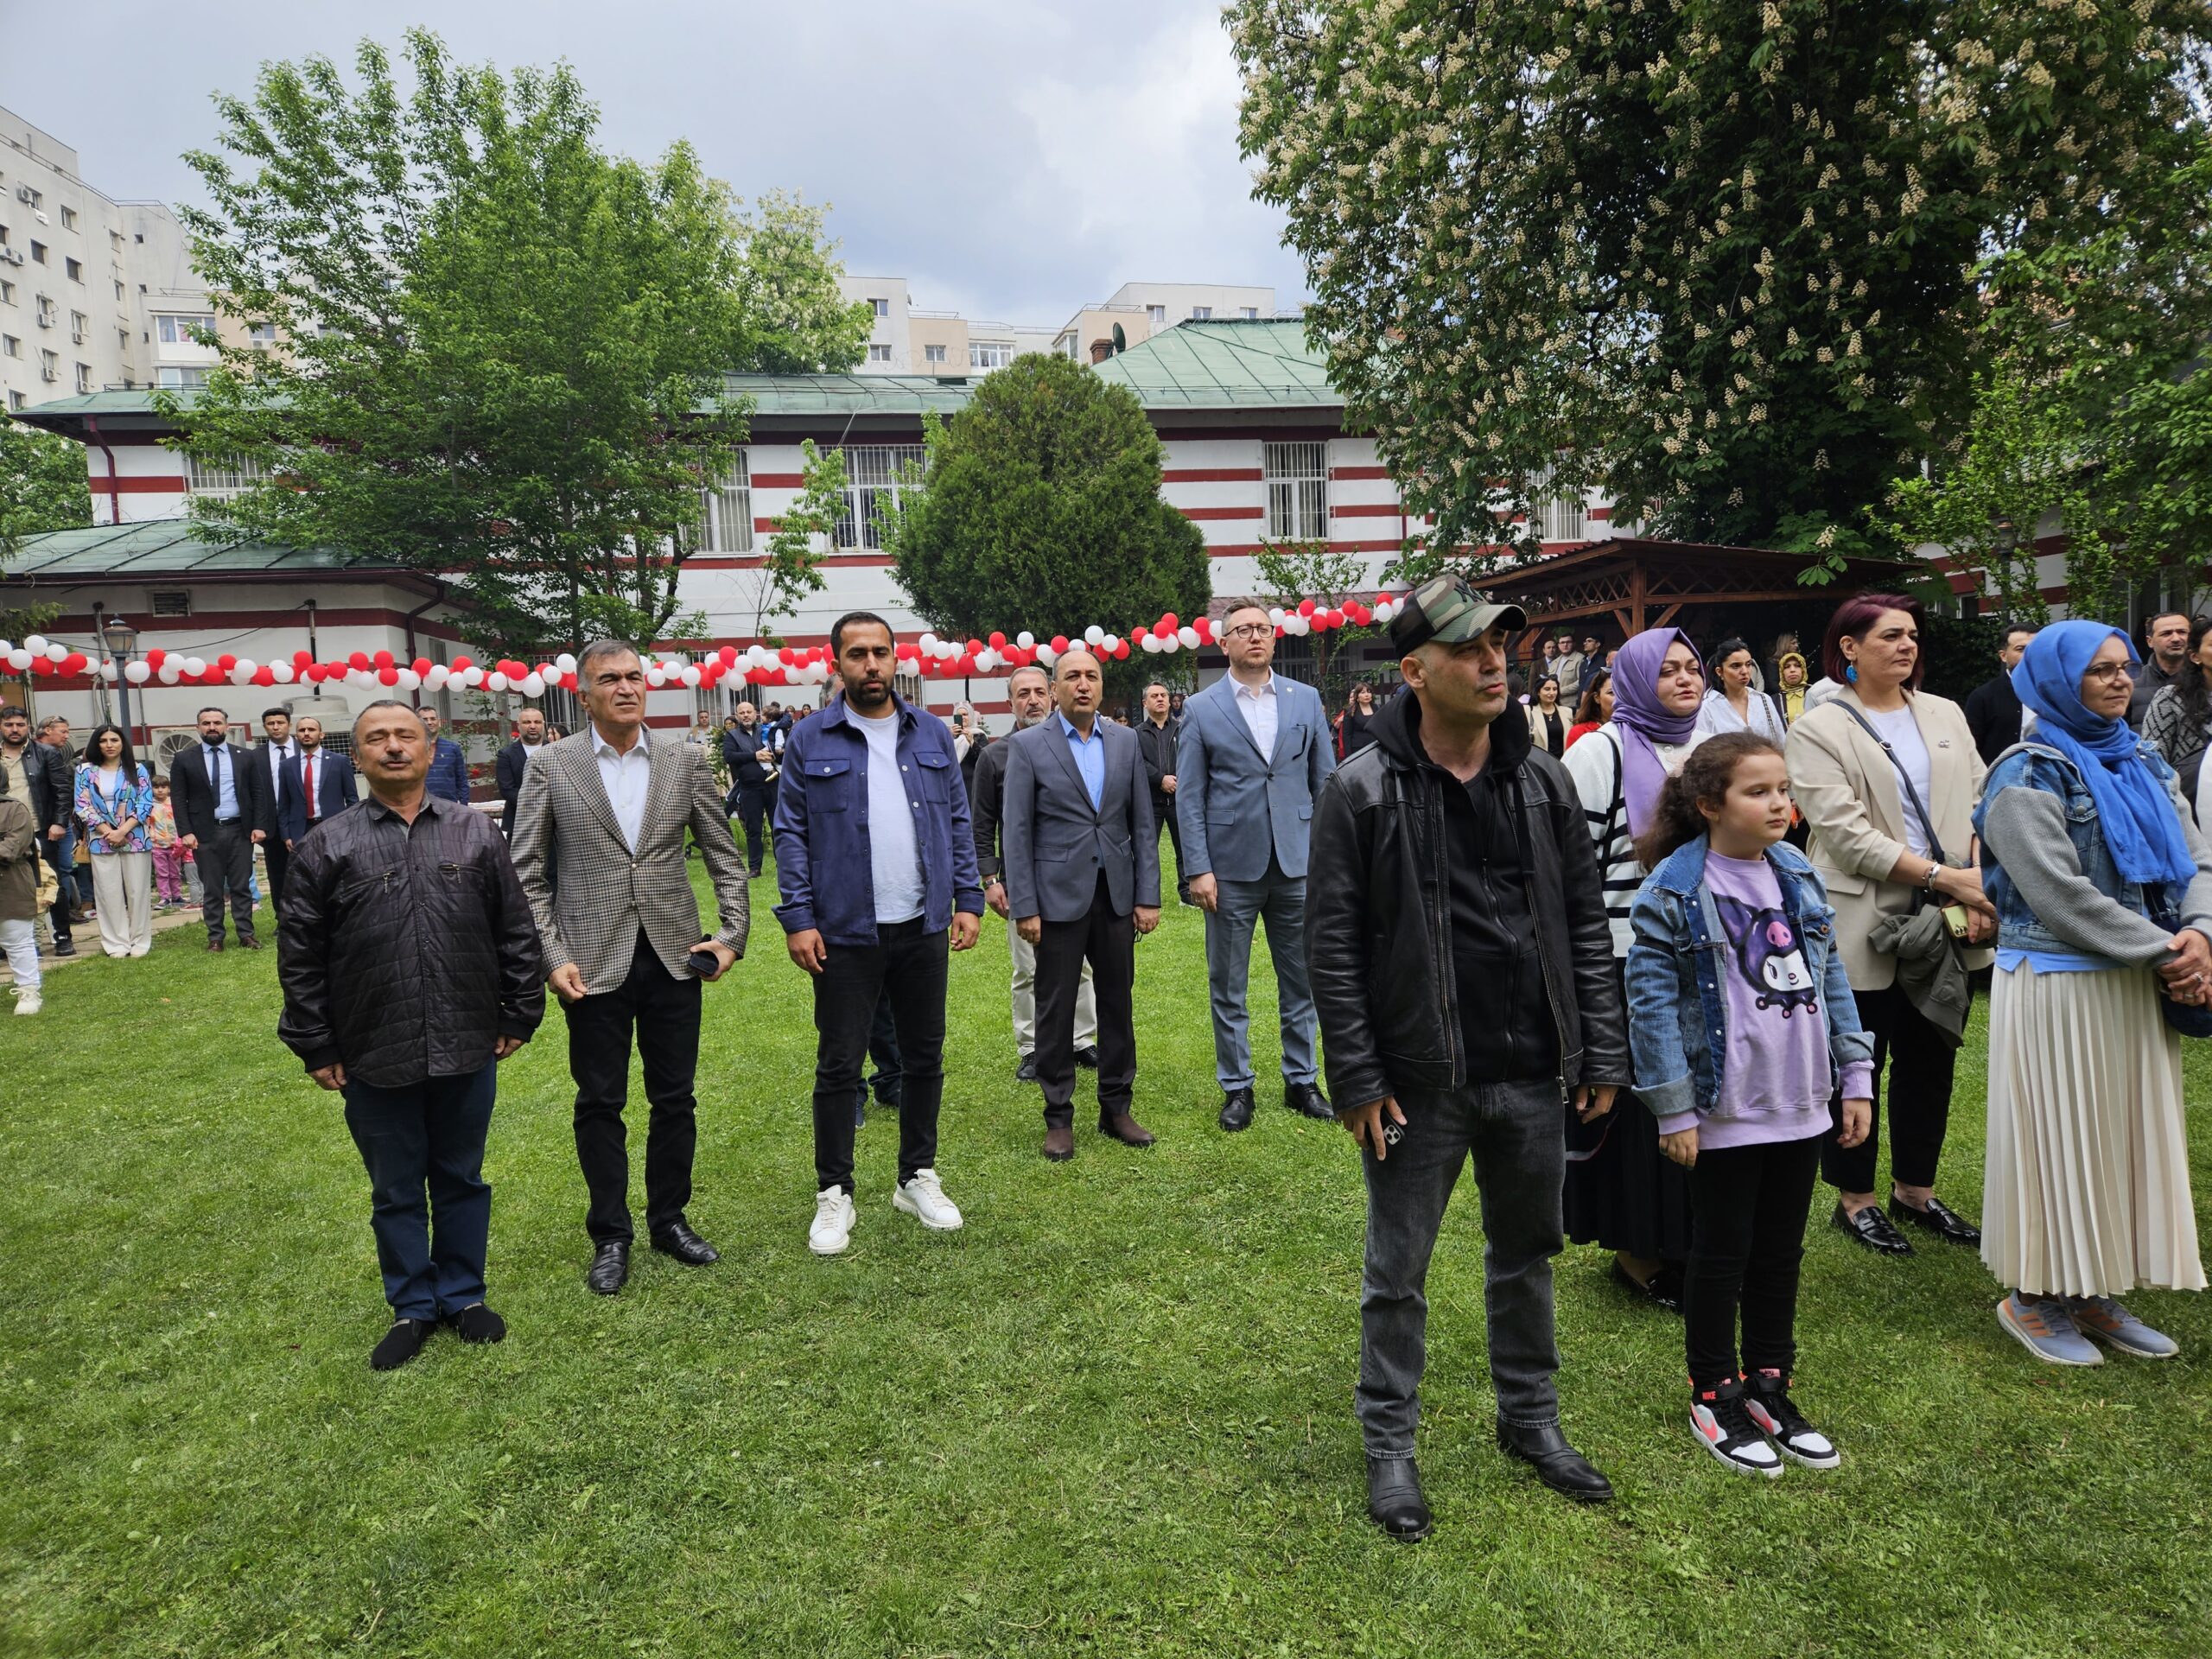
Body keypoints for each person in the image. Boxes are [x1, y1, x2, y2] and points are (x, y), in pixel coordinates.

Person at [1307, 575, 1629, 1540]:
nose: (1496, 664)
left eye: (1500, 647)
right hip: (1419, 1079)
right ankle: (1389, 1445)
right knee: (1397, 1271)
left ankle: (1530, 1420)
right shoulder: (1359, 788)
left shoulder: (1544, 779)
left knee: (1527, 1253)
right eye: (1470, 650)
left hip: (1532, 1066)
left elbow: (1582, 922)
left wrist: (1598, 1050)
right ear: (1415, 671)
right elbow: (1332, 946)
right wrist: (1357, 1075)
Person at [1626, 734, 1874, 1477]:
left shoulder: (1796, 871)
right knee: (1720, 1253)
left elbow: (1831, 977)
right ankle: (1714, 1393)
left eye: (1783, 789)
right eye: (1758, 791)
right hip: (1726, 1106)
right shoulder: (1672, 890)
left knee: (1779, 1252)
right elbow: (1651, 1007)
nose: (1779, 804)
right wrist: (1675, 1110)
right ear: (1710, 805)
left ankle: (1770, 1385)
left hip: (1800, 1100)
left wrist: (1855, 1075)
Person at [277, 700, 545, 1371]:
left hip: (466, 1036)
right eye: (378, 738)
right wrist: (316, 1042)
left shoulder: (475, 833)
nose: (394, 746)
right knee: (395, 1188)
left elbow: (515, 927)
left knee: (461, 1176)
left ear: (429, 750)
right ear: (358, 757)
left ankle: (463, 1295)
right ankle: (412, 1306)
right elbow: (301, 955)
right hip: (372, 1044)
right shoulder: (326, 844)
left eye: (406, 736)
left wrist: (519, 1011)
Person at [1975, 622, 2209, 1364]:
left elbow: (2197, 858)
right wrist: (2166, 949)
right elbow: (2055, 894)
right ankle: (2034, 1296)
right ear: (2055, 680)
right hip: (2058, 983)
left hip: (2134, 980)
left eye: (2124, 668)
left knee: (2118, 1139)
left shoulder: (2142, 759)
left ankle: (2090, 1287)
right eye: (2099, 670)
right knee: (2058, 1139)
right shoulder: (2024, 774)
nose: (2119, 681)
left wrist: (2200, 932)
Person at [509, 641, 750, 1295]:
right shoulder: (551, 765)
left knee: (675, 1098)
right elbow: (526, 873)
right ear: (584, 696)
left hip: (676, 956)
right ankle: (611, 1235)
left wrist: (731, 936)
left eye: (634, 677)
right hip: (590, 964)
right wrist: (553, 956)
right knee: (600, 1101)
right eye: (609, 679)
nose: (625, 688)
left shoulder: (684, 759)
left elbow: (724, 856)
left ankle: (670, 1220)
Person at [1785, 594, 1996, 1256]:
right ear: (1849, 648)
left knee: (1931, 1052)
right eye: (1890, 636)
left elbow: (1984, 800)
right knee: (1859, 1058)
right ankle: (1856, 1200)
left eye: (1912, 635)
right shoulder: (1818, 728)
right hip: (1861, 912)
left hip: (1946, 912)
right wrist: (1949, 879)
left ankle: (1915, 1190)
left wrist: (1976, 879)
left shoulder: (1945, 713)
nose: (1907, 646)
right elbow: (1844, 834)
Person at [772, 611, 983, 1256]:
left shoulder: (931, 733)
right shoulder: (810, 738)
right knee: (840, 1063)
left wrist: (969, 897)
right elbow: (790, 831)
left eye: (881, 652)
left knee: (924, 1057)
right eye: (857, 654)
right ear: (837, 663)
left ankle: (916, 1176)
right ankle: (834, 1191)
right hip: (844, 931)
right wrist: (799, 917)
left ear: (897, 659)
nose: (871, 664)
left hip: (922, 924)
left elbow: (956, 818)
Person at [1559, 630, 1708, 1308]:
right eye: (1667, 670)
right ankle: (1639, 1253)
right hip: (1625, 957)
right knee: (1639, 1118)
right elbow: (1572, 870)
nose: (1685, 679)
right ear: (1636, 681)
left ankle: (1692, 1242)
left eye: (1693, 668)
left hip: (1708, 958)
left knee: (1696, 1102)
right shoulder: (1600, 752)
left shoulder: (1713, 747)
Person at [1176, 601, 1336, 1131]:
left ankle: (1302, 1079)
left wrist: (1328, 858)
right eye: (1243, 630)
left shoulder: (1305, 699)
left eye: (1262, 628)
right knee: (1228, 984)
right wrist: (1198, 868)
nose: (1255, 636)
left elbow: (1325, 783)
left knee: (1303, 980)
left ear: (1274, 637)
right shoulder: (1201, 708)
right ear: (1224, 643)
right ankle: (1237, 1086)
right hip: (1229, 870)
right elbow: (1190, 797)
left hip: (1298, 863)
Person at [1001, 648, 1160, 1161]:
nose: (1083, 684)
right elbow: (1016, 832)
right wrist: (1025, 906)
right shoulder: (1028, 745)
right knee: (1055, 1008)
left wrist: (1147, 895)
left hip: (1115, 897)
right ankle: (1058, 1115)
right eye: (1072, 676)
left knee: (1117, 1004)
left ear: (1101, 685)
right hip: (1055, 901)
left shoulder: (1126, 741)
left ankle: (1116, 1108)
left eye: (1091, 675)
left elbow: (1142, 824)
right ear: (1056, 688)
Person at [973, 664, 1099, 1080]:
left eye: (1039, 692)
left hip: (1073, 878)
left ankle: (1082, 1039)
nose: (1032, 701)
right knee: (1027, 969)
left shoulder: (1078, 747)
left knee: (1081, 965)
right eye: (1022, 694)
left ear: (1052, 695)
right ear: (1010, 702)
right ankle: (1032, 1047)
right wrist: (990, 880)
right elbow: (982, 825)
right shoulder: (995, 756)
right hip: (1020, 882)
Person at [169, 707, 263, 952]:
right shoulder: (184, 758)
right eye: (206, 723)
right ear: (198, 727)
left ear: (227, 727)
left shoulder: (245, 756)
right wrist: (185, 831)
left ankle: (246, 934)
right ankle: (216, 937)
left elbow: (257, 792)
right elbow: (178, 798)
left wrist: (259, 826)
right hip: (204, 833)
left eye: (217, 723)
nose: (212, 727)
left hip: (239, 830)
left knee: (241, 886)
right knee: (212, 888)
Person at [73, 723, 155, 958]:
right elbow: (82, 805)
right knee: (108, 893)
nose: (109, 745)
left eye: (114, 740)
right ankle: (116, 943)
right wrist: (108, 831)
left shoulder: (137, 769)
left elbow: (145, 802)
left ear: (122, 743)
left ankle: (139, 941)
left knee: (137, 891)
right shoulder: (85, 771)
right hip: (101, 839)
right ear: (96, 744)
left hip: (135, 837)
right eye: (103, 741)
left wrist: (124, 830)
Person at [2141, 614, 2212, 810]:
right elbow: (2153, 762)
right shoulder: (2171, 697)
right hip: (2188, 807)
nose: (2175, 637)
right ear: (2195, 656)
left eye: (2182, 632)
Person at [31, 715, 90, 942]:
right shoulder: (32, 755)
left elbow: (63, 790)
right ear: (47, 730)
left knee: (62, 870)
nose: (67, 736)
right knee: (46, 873)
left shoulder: (60, 754)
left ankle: (63, 920)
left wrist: (63, 820)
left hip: (61, 821)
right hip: (41, 824)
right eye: (63, 731)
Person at [1135, 680, 1191, 905]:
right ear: (1145, 703)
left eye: (1163, 695)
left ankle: (1187, 894)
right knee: (1146, 851)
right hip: (1150, 801)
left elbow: (1190, 758)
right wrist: (1160, 779)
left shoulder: (1182, 729)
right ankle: (1146, 895)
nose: (1160, 699)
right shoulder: (1136, 734)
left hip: (1179, 799)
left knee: (1185, 848)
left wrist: (1176, 779)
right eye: (1154, 696)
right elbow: (1137, 762)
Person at [276, 715, 358, 849]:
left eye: (311, 729)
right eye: (302, 730)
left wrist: (350, 827)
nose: (306, 733)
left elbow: (352, 798)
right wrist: (286, 835)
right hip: (300, 830)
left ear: (321, 735)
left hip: (335, 828)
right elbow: (284, 803)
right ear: (296, 736)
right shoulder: (286, 766)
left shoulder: (339, 761)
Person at [0, 765, 43, 1014]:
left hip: (11, 883)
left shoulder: (15, 809)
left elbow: (11, 849)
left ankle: (29, 992)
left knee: (17, 941)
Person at [1964, 626, 2037, 767]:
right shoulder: (1984, 696)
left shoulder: (2056, 693)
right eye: (2021, 649)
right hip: (2000, 777)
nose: (2029, 655)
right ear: (2003, 656)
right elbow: (1970, 749)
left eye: (2035, 648)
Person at [249, 707, 298, 914]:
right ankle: (282, 918)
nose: (276, 727)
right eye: (271, 724)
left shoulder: (304, 749)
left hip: (302, 821)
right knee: (277, 875)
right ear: (265, 727)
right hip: (272, 824)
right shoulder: (255, 756)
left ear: (289, 724)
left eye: (280, 723)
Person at [720, 702, 777, 877]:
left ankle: (783, 864)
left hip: (773, 785)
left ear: (755, 714)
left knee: (779, 827)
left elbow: (780, 747)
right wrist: (754, 756)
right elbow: (729, 756)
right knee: (753, 829)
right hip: (749, 788)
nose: (746, 715)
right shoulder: (732, 735)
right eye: (742, 712)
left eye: (749, 712)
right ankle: (754, 868)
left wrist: (773, 754)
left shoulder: (766, 730)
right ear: (737, 716)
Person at [1694, 638, 1789, 744]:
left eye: (1748, 664)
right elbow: (1703, 749)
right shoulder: (1707, 707)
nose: (1744, 671)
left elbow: (1780, 742)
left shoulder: (1763, 700)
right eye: (1736, 666)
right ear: (1720, 672)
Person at [2126, 611, 2191, 729]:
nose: (2176, 639)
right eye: (2166, 633)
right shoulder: (2131, 681)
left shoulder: (2206, 680)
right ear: (2150, 641)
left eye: (2182, 632)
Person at [495, 707, 550, 841]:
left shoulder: (556, 751)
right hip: (519, 823)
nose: (533, 726)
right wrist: (538, 804)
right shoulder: (506, 755)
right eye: (527, 722)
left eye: (537, 722)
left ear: (543, 725)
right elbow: (507, 789)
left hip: (553, 825)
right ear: (518, 725)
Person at [148, 778, 188, 910]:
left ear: (169, 788)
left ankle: (176, 895)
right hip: (157, 844)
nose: (160, 790)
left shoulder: (174, 803)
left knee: (175, 872)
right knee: (162, 873)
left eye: (163, 787)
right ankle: (164, 897)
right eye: (156, 787)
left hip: (174, 844)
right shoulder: (150, 804)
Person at [419, 708, 471, 803]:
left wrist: (463, 805)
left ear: (439, 722)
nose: (429, 722)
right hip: (420, 805)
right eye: (425, 719)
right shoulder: (412, 749)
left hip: (449, 805)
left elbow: (462, 780)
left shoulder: (452, 748)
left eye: (433, 719)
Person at [1565, 669, 1612, 750]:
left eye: (1623, 692)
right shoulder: (1580, 732)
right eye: (1611, 693)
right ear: (1597, 697)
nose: (1619, 699)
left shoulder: (1632, 730)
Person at [1525, 676, 1567, 754]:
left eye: (1555, 689)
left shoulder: (1567, 712)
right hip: (1538, 759)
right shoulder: (1528, 711)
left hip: (1562, 760)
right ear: (1538, 692)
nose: (1552, 693)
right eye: (1547, 689)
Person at [1770, 652, 1811, 727]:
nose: (1792, 670)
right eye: (1787, 667)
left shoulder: (1814, 694)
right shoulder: (1773, 701)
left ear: (1803, 670)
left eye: (1797, 666)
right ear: (1782, 673)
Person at [1338, 683, 1379, 759]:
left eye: (1369, 692)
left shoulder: (1376, 708)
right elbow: (1347, 735)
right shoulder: (1350, 710)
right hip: (1358, 750)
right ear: (1357, 696)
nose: (1367, 695)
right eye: (1363, 693)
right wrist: (1349, 756)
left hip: (1375, 747)